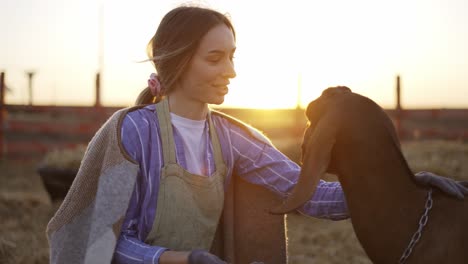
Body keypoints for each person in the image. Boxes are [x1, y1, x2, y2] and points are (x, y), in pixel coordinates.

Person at [46, 5, 468, 264]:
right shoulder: (131, 133)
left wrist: (406, 191)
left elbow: (311, 196)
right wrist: (182, 259)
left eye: (232, 56)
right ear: (177, 62)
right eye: (215, 58)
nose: (230, 70)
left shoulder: (232, 137)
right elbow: (106, 245)